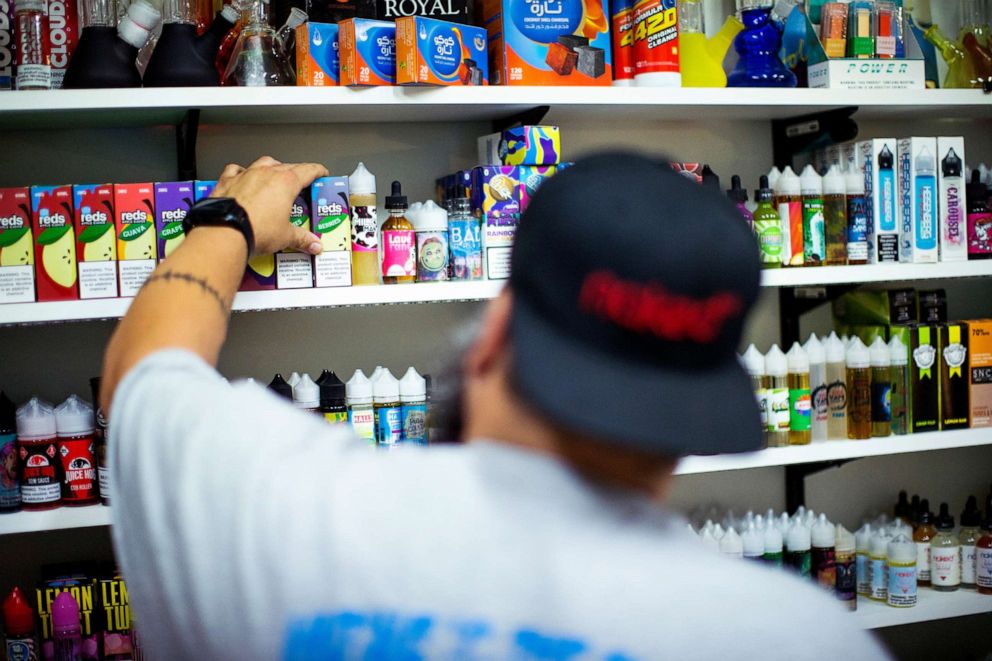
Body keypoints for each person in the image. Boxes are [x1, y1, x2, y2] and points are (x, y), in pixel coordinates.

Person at [102, 153, 891, 660]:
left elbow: (143, 372)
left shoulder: (278, 512)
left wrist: (231, 218)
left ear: (492, 336)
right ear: (702, 410)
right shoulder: (801, 639)